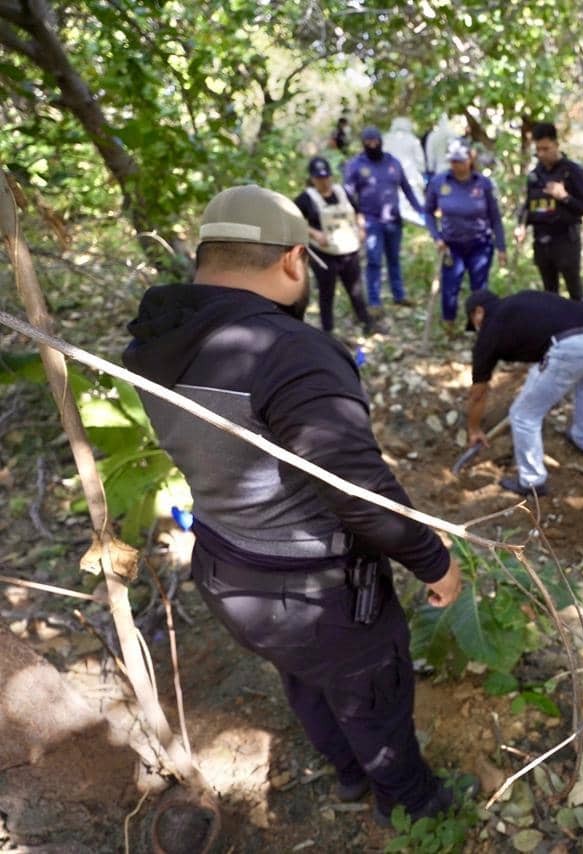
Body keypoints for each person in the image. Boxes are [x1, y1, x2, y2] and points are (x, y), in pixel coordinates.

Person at [121, 184, 463, 826]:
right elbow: (358, 488)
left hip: (228, 572)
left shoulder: (152, 344)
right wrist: (433, 559)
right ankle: (413, 804)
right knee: (372, 693)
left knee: (304, 677)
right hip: (317, 593)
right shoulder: (288, 351)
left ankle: (348, 774)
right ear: (292, 260)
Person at [463, 289, 583, 497]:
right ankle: (582, 438)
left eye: (474, 323)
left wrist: (474, 429)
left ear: (478, 312)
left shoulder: (490, 330)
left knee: (523, 415)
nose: (478, 329)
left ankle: (532, 481)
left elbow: (478, 392)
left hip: (572, 348)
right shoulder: (522, 300)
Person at [425, 139, 507, 328]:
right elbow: (428, 212)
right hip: (451, 245)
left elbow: (495, 217)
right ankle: (449, 325)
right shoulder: (439, 183)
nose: (457, 166)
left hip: (480, 244)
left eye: (460, 161)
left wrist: (501, 246)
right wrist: (436, 237)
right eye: (453, 161)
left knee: (479, 289)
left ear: (470, 159)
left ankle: (478, 328)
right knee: (450, 287)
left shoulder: (483, 184)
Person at [344, 126, 427, 310]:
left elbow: (407, 189)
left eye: (375, 141)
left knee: (394, 259)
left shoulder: (393, 163)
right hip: (371, 221)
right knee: (374, 260)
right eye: (368, 142)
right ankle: (374, 301)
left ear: (381, 141)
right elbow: (348, 193)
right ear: (364, 144)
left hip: (393, 220)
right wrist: (357, 216)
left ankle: (399, 296)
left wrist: (422, 211)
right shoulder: (356, 165)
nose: (373, 145)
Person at [294, 156, 377, 336]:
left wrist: (361, 227)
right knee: (326, 292)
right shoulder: (305, 199)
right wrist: (314, 233)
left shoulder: (342, 192)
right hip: (323, 253)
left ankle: (366, 323)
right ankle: (328, 330)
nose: (324, 182)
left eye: (326, 177)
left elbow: (358, 211)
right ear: (312, 179)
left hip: (349, 250)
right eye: (319, 178)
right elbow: (293, 220)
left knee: (355, 290)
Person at [515, 122, 583, 301]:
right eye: (538, 150)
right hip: (542, 242)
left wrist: (564, 197)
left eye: (546, 149)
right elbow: (528, 205)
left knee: (576, 293)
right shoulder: (535, 175)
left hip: (565, 241)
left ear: (556, 145)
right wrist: (521, 225)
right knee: (550, 295)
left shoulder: (573, 172)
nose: (541, 154)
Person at [383, 116, 427, 227]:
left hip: (391, 174)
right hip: (411, 173)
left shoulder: (386, 139)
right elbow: (420, 160)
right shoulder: (412, 140)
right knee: (415, 198)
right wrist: (421, 171)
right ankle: (420, 221)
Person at [423, 115, 454, 181]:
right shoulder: (453, 135)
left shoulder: (432, 136)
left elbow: (430, 154)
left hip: (439, 169)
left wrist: (430, 167)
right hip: (451, 169)